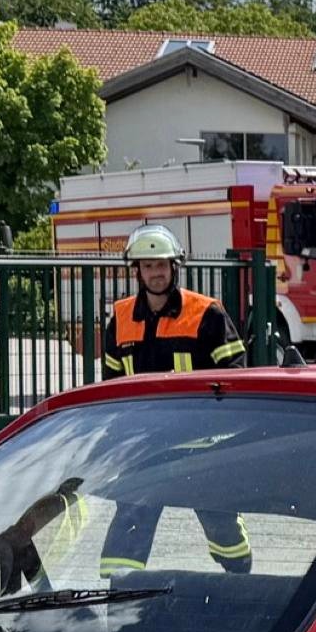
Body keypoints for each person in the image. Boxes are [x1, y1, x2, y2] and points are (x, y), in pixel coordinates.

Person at [96, 225, 254, 577]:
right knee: (131, 519)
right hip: (144, 446)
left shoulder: (206, 313)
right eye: (148, 266)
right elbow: (112, 387)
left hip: (201, 444)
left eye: (162, 265)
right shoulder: (121, 319)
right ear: (137, 271)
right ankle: (118, 592)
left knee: (221, 525)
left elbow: (237, 374)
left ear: (174, 267)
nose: (156, 273)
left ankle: (241, 577)